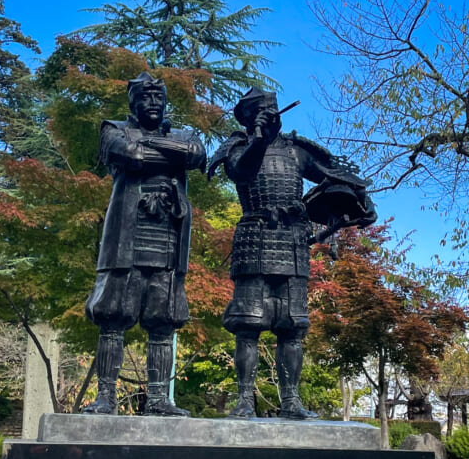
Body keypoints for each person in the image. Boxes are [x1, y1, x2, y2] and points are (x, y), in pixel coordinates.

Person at [208, 87, 376, 419]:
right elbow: (243, 172)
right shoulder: (238, 147)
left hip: (292, 241)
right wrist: (258, 137)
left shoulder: (297, 151)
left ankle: (291, 400)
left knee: (292, 324)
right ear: (249, 117)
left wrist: (360, 202)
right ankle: (244, 399)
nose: (271, 115)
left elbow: (337, 175)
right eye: (262, 111)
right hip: (254, 238)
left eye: (273, 109)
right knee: (248, 324)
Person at [84, 71, 206, 415]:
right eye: (146, 97)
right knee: (113, 315)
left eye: (159, 97)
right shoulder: (113, 129)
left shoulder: (185, 135)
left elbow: (196, 155)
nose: (153, 103)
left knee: (164, 318)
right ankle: (105, 396)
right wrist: (171, 153)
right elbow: (129, 155)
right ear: (133, 102)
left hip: (168, 234)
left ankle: (158, 399)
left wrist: (153, 146)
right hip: (127, 234)